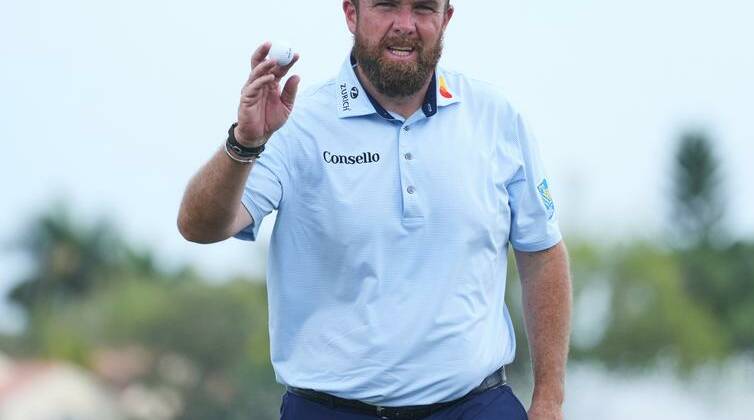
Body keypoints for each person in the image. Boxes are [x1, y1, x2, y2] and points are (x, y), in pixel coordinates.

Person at [177, 1, 572, 419]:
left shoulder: (496, 116)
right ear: (352, 14)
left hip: (476, 405)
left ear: (446, 19)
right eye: (386, 6)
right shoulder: (296, 122)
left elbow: (542, 252)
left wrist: (549, 400)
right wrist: (244, 142)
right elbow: (199, 226)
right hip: (331, 410)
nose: (405, 25)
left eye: (423, 8)